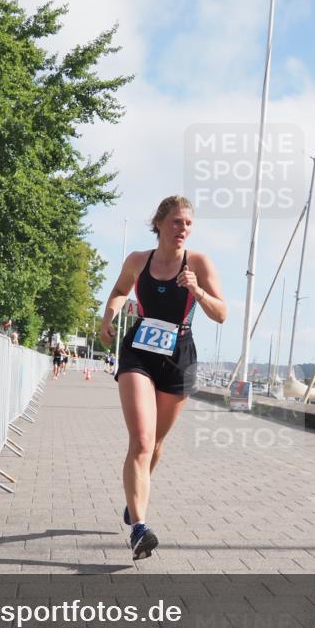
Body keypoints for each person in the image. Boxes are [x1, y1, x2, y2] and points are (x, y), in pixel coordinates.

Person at [100, 196, 226, 560]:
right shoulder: (139, 260)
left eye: (187, 223)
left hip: (178, 356)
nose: (182, 229)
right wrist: (109, 316)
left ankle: (133, 497)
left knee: (155, 445)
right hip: (139, 350)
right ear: (158, 223)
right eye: (175, 222)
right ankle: (139, 528)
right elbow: (121, 290)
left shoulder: (198, 263)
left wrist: (196, 289)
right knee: (140, 440)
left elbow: (221, 314)